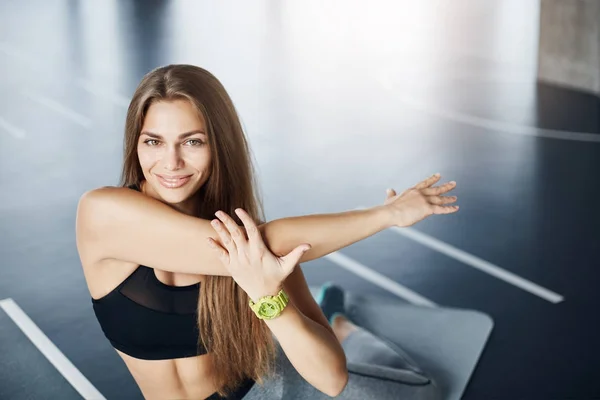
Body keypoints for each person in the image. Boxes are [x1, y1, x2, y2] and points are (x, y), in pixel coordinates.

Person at [75, 64, 459, 399]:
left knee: (424, 392)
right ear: (136, 144)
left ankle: (344, 326)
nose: (170, 163)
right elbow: (256, 247)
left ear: (218, 146)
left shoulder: (262, 245)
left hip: (265, 389)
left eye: (192, 142)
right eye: (153, 141)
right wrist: (384, 214)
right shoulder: (103, 213)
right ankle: (337, 313)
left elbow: (331, 379)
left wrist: (267, 299)